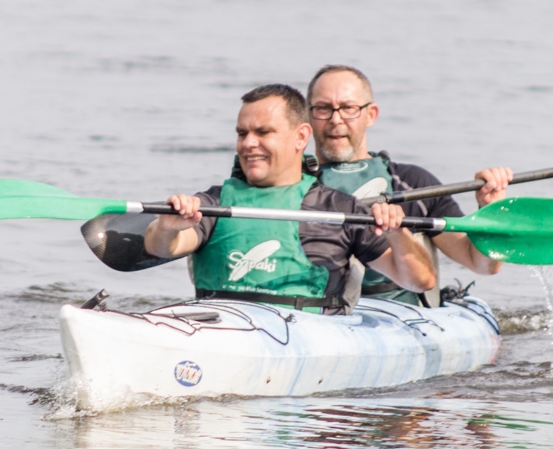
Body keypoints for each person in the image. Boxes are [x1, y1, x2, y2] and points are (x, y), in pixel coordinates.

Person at [144, 84, 436, 313]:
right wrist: (166, 228)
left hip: (305, 340)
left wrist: (398, 234)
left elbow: (418, 281)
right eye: (242, 133)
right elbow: (162, 248)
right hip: (223, 328)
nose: (248, 144)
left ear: (301, 137)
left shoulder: (338, 209)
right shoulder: (214, 204)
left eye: (263, 132)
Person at [306, 64, 512, 305]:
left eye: (349, 108)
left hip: (402, 317)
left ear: (371, 115)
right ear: (307, 117)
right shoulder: (291, 185)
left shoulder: (412, 184)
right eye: (323, 109)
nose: (335, 119)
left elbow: (482, 264)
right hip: (320, 317)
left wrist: (492, 210)